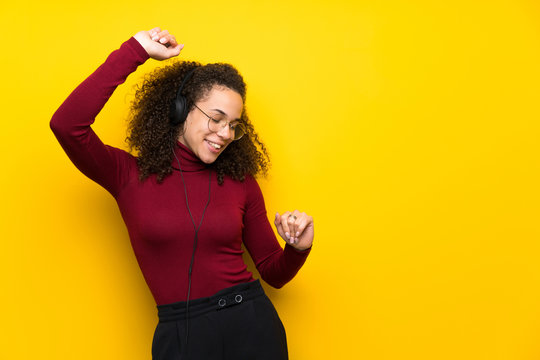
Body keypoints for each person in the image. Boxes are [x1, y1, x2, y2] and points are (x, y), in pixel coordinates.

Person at [50, 27, 314, 360]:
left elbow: (273, 273)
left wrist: (297, 249)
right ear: (181, 109)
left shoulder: (240, 181)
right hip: (181, 335)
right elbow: (66, 125)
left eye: (233, 125)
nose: (224, 134)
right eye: (216, 118)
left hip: (252, 325)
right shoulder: (127, 174)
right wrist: (135, 51)